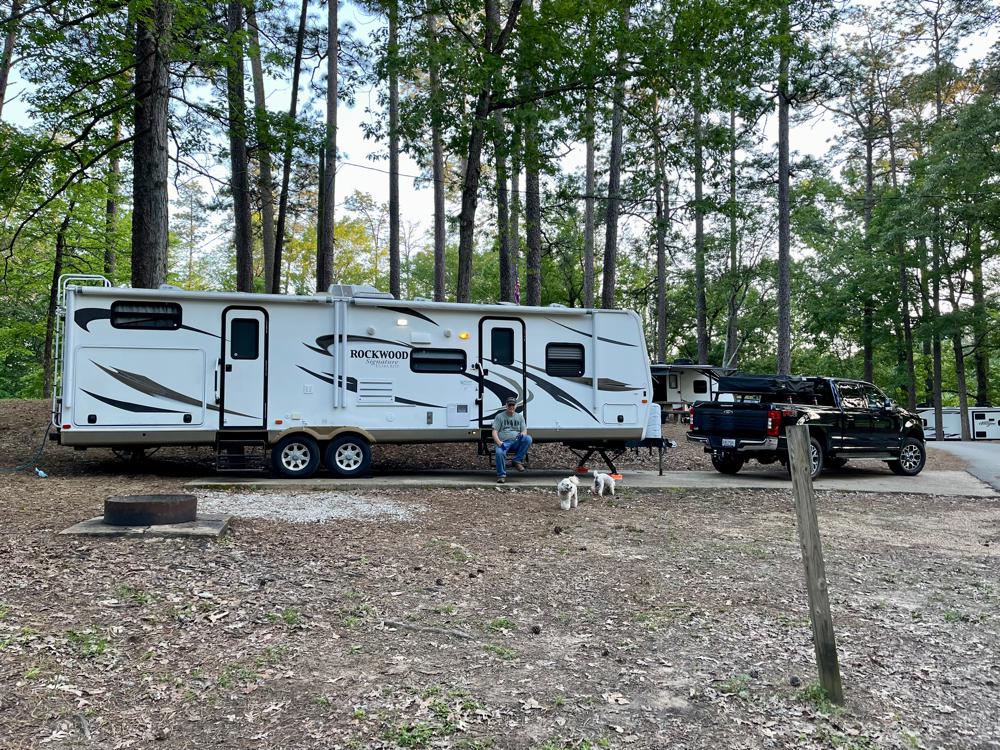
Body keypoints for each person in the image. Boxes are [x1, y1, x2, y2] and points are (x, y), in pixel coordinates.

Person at [492, 396, 532, 484]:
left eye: (513, 405)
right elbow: (494, 431)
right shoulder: (499, 416)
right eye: (509, 405)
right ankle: (501, 476)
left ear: (516, 406)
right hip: (504, 443)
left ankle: (517, 460)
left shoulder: (520, 417)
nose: (511, 407)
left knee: (528, 438)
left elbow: (524, 430)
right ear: (506, 405)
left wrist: (522, 434)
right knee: (499, 453)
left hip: (516, 442)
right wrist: (499, 442)